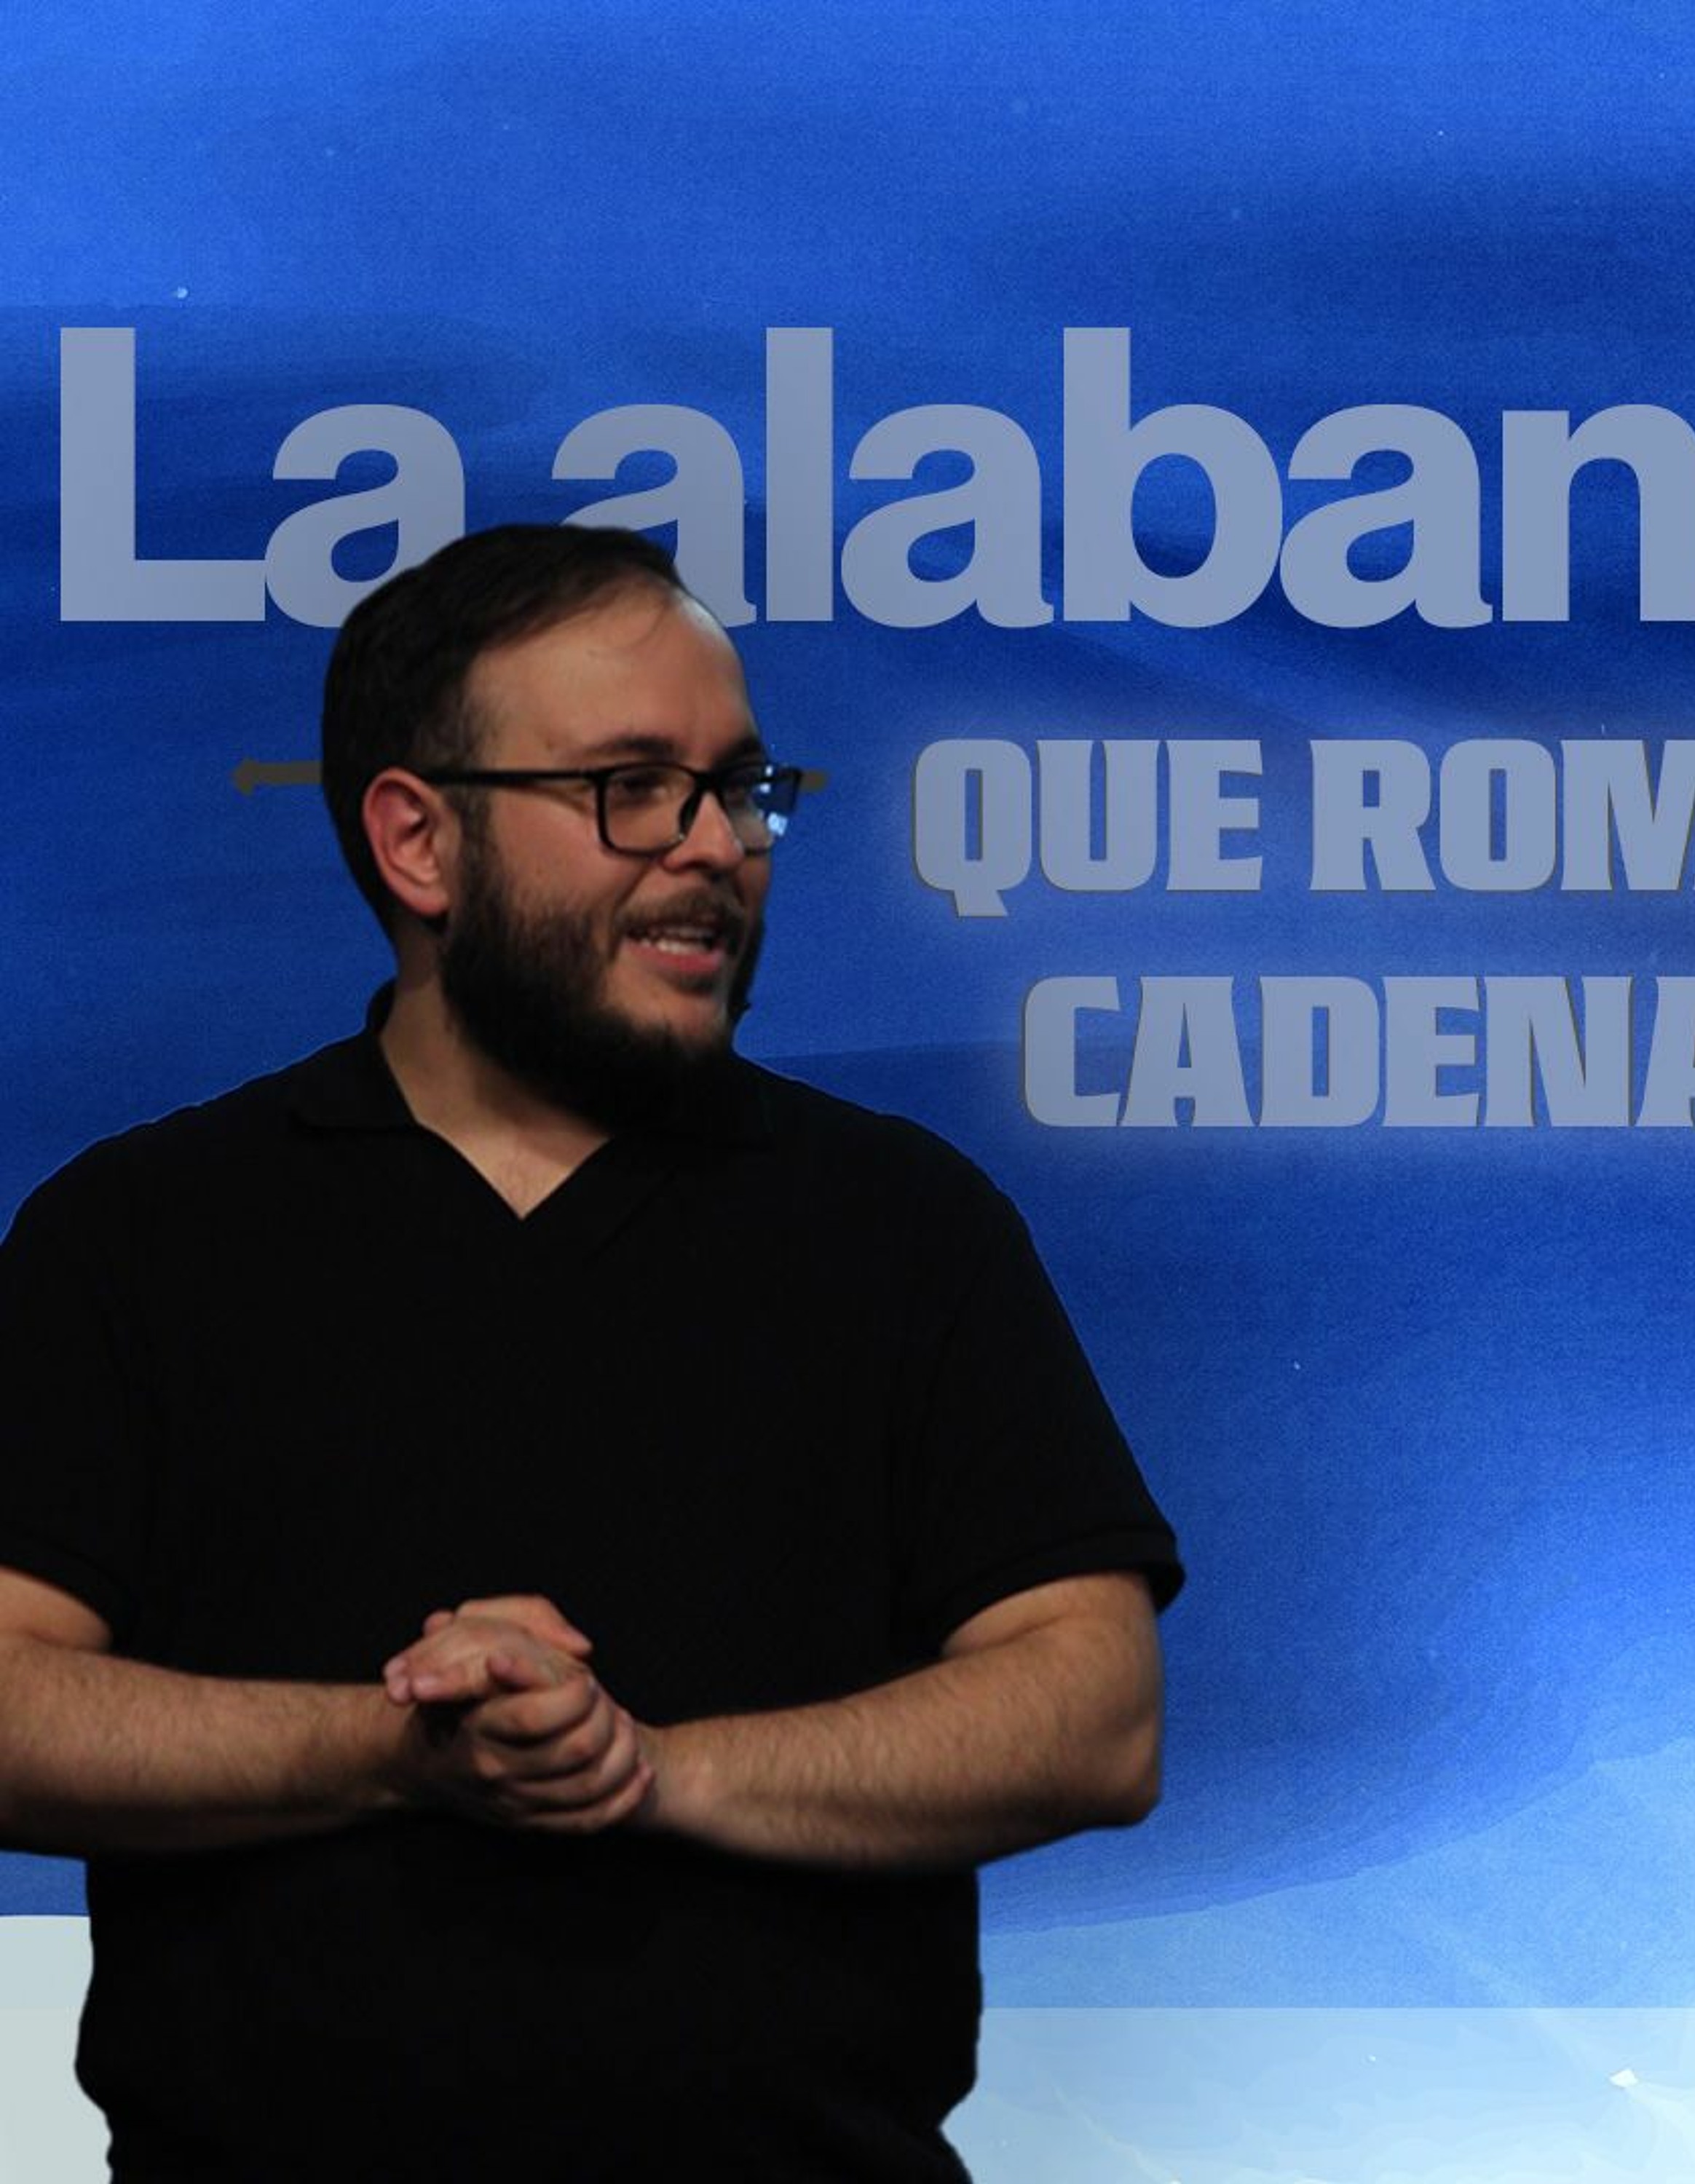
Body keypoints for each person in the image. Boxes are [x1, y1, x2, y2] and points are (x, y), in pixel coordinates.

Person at [0, 524, 1183, 2181]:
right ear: (419, 841)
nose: (713, 847)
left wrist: (645, 1773)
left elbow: (1096, 1710)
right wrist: (393, 1752)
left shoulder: (905, 1224)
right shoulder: (137, 1233)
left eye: (740, 789)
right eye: (631, 788)